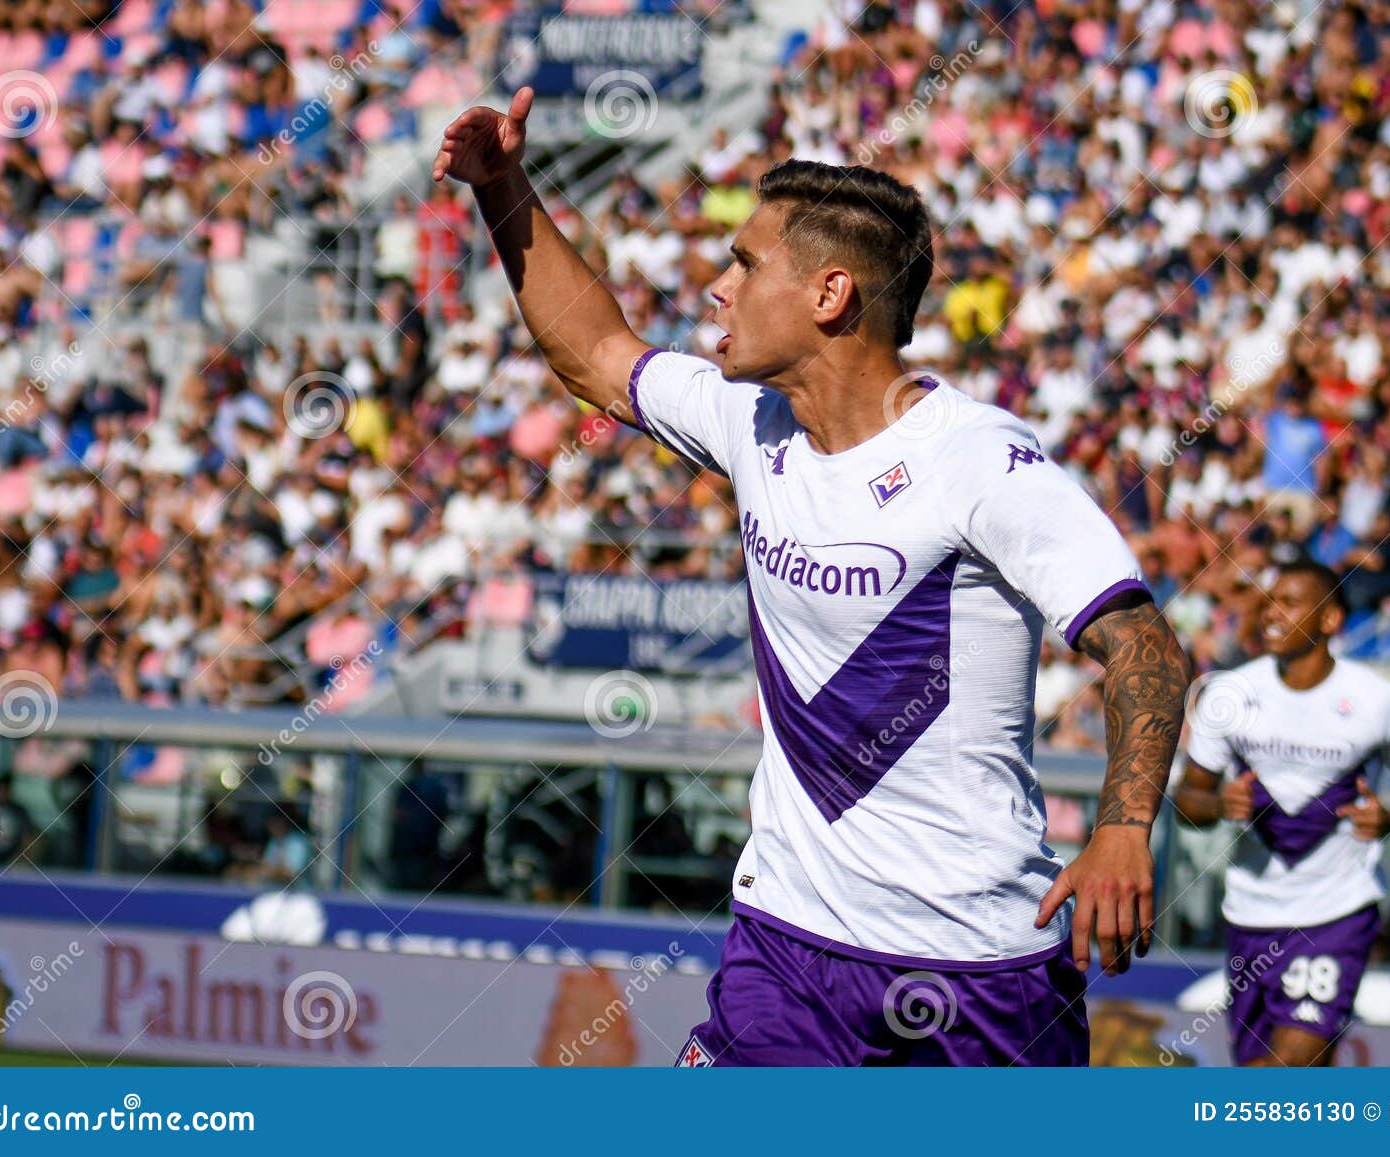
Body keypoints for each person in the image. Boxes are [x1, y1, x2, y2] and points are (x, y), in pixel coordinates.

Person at [435, 90, 1190, 1067]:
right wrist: (502, 185)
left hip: (978, 966)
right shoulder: (751, 425)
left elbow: (1142, 645)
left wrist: (1124, 830)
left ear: (830, 294)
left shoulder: (979, 462)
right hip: (787, 949)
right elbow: (594, 354)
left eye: (745, 264)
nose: (716, 287)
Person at [1173, 560, 1390, 1066]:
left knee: (1287, 1070)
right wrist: (1217, 805)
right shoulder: (1230, 693)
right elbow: (1186, 801)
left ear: (1330, 621)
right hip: (1250, 911)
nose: (1271, 614)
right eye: (1270, 601)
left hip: (1335, 912)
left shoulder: (1378, 701)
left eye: (1290, 602)